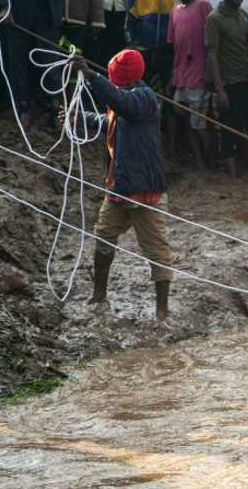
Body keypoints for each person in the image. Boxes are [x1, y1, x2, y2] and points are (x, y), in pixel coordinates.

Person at [69, 50, 172, 321]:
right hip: (120, 186)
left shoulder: (143, 98)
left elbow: (122, 104)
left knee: (156, 249)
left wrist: (91, 76)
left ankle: (162, 311)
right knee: (103, 235)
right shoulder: (126, 97)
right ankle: (99, 295)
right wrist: (83, 119)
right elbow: (113, 122)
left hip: (145, 189)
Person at [205, 0, 248, 178]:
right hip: (229, 82)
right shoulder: (215, 19)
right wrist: (220, 89)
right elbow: (212, 55)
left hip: (247, 79)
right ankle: (232, 174)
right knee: (228, 129)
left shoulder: (243, 15)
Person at [165, 0, 212, 170]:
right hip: (182, 76)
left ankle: (211, 158)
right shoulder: (174, 11)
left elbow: (212, 45)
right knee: (186, 121)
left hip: (199, 77)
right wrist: (173, 79)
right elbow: (175, 47)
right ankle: (199, 160)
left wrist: (210, 75)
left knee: (198, 124)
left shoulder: (203, 6)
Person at [126, 0, 175, 94]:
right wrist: (133, 44)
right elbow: (130, 20)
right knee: (143, 93)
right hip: (144, 52)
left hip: (170, 53)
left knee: (170, 96)